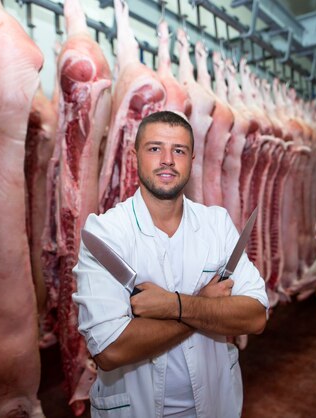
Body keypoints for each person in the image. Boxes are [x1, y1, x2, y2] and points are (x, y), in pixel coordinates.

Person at [73, 111, 268, 417]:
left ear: (192, 158)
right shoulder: (106, 233)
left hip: (217, 405)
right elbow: (110, 350)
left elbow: (255, 316)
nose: (167, 159)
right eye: (154, 148)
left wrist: (173, 306)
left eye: (178, 150)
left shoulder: (216, 224)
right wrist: (201, 304)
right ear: (135, 155)